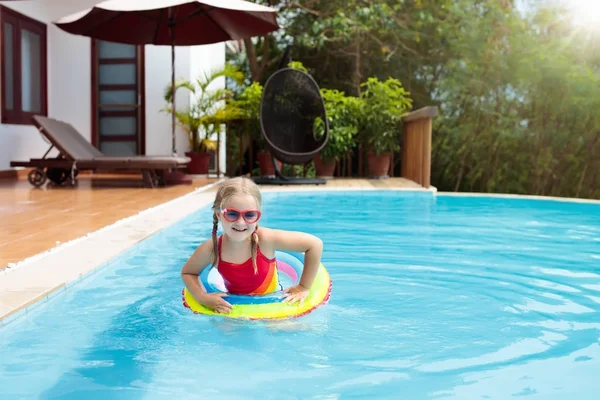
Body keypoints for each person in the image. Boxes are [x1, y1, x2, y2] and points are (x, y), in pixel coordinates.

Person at [181, 176, 323, 314]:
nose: (240, 222)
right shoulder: (212, 249)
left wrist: (303, 287)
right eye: (231, 214)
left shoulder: (266, 239)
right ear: (218, 214)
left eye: (249, 215)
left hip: (273, 302)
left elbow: (315, 245)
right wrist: (202, 297)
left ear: (257, 216)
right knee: (225, 329)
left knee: (282, 328)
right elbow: (188, 272)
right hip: (235, 306)